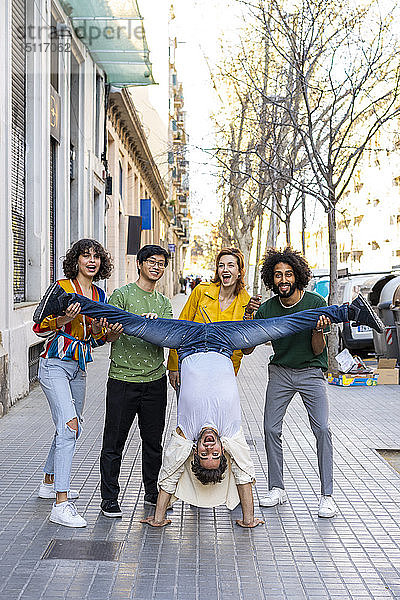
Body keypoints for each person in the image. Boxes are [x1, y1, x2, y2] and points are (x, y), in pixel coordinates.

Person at [33, 279, 382, 526]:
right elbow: (244, 473)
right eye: (217, 455)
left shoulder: (185, 435)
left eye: (205, 455)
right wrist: (247, 518)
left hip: (184, 339)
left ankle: (64, 301)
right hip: (226, 339)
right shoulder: (231, 433)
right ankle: (349, 310)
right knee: (282, 325)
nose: (210, 449)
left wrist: (158, 517)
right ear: (225, 453)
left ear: (195, 451)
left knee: (133, 323)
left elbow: (169, 472)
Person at [244, 247, 343, 518]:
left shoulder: (315, 302)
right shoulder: (267, 309)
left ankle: (327, 496)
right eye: (278, 275)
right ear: (271, 279)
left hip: (311, 372)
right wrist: (248, 319)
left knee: (322, 429)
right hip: (280, 372)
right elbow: (248, 349)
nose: (283, 279)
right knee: (270, 429)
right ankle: (277, 488)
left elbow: (316, 350)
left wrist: (318, 329)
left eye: (288, 274)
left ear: (297, 276)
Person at [33, 238, 117, 528]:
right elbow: (38, 326)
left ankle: (48, 481)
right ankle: (61, 504)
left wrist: (99, 330)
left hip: (79, 366)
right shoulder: (62, 287)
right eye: (85, 256)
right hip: (54, 362)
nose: (91, 261)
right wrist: (62, 319)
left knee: (71, 425)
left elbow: (96, 338)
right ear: (76, 260)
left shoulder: (99, 294)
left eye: (96, 256)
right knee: (69, 428)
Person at [99, 245, 173, 518]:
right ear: (140, 264)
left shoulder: (164, 303)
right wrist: (116, 330)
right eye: (152, 262)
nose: (157, 267)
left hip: (155, 381)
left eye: (162, 263)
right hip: (122, 380)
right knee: (114, 442)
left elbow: (167, 338)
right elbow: (107, 336)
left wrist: (154, 327)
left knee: (153, 442)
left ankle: (153, 493)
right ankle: (109, 498)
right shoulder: (122, 295)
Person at [168, 248, 253, 391]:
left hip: (225, 373)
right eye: (221, 265)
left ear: (239, 271)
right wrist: (173, 365)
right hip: (192, 368)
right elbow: (180, 328)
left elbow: (245, 346)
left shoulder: (247, 302)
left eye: (231, 265)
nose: (225, 269)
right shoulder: (201, 291)